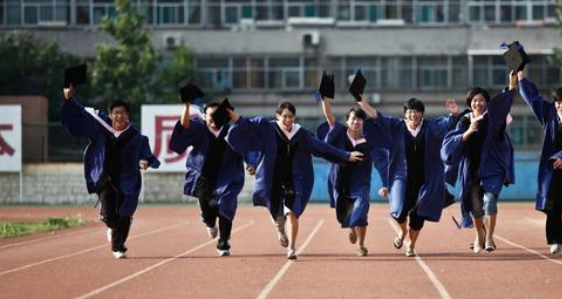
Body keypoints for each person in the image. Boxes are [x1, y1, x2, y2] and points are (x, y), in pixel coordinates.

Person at [226, 102, 363, 259]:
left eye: (291, 116)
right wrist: (233, 116)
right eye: (285, 116)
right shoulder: (268, 128)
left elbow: (323, 147)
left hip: (295, 178)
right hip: (272, 178)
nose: (288, 120)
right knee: (277, 213)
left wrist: (346, 155)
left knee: (292, 213)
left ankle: (291, 248)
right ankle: (279, 228)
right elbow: (247, 126)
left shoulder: (302, 134)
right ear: (278, 116)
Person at [61, 86, 160, 259]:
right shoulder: (101, 127)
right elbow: (82, 114)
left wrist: (144, 161)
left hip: (127, 179)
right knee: (109, 217)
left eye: (122, 112)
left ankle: (118, 247)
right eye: (116, 112)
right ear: (110, 114)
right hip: (104, 177)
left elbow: (146, 154)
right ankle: (110, 222)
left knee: (124, 213)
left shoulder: (136, 137)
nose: (119, 116)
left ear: (128, 115)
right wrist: (70, 99)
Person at [358, 96, 460, 257]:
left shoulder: (430, 127)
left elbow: (448, 124)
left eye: (417, 112)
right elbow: (377, 117)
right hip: (401, 177)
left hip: (426, 178)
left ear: (422, 114)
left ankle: (411, 245)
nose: (414, 115)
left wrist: (454, 114)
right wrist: (362, 103)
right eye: (410, 112)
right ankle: (402, 232)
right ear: (405, 114)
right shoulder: (396, 126)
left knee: (419, 215)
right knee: (398, 210)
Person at [169, 99, 257, 256]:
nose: (214, 118)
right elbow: (185, 125)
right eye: (211, 115)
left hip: (228, 176)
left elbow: (247, 147)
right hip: (203, 176)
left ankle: (224, 242)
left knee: (226, 205)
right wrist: (187, 106)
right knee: (207, 208)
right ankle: (209, 221)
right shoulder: (200, 128)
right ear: (204, 116)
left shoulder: (232, 131)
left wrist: (251, 163)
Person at [441, 72, 517, 254]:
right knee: (475, 207)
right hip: (471, 168)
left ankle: (489, 237)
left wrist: (512, 84)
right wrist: (468, 132)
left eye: (482, 100)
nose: (478, 103)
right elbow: (449, 144)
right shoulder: (465, 120)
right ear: (470, 103)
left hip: (492, 167)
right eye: (475, 100)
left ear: (487, 102)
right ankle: (479, 235)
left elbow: (505, 101)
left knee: (490, 201)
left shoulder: (494, 117)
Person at [518, 69, 562, 256]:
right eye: (558, 102)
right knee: (552, 207)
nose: (561, 106)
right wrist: (521, 77)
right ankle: (557, 240)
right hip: (552, 171)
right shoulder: (550, 114)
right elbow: (532, 99)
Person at [318, 97, 388, 256]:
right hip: (340, 179)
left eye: (359, 119)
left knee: (362, 209)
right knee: (346, 210)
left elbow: (381, 162)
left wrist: (385, 184)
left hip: (361, 181)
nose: (356, 122)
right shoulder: (340, 133)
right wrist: (325, 101)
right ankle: (351, 227)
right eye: (353, 118)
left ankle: (361, 245)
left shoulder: (370, 142)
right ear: (347, 121)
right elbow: (329, 117)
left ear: (363, 122)